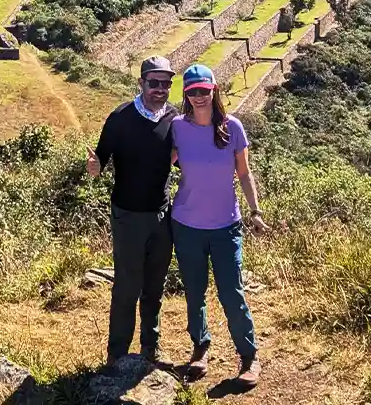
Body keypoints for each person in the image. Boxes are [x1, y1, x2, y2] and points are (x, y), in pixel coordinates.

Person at [170, 63, 268, 386]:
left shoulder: (233, 127)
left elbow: (244, 173)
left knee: (231, 292)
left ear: (214, 91)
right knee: (194, 292)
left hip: (226, 226)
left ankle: (249, 357)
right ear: (186, 95)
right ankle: (200, 349)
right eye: (192, 92)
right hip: (187, 225)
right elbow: (156, 164)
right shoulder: (178, 129)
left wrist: (255, 212)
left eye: (204, 90)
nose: (199, 97)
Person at [87, 56, 177, 366]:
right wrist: (93, 167)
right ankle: (118, 355)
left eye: (166, 84)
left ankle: (150, 349)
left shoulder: (174, 118)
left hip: (162, 215)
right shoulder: (120, 117)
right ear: (141, 83)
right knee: (127, 284)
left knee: (155, 284)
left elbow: (180, 157)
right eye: (154, 83)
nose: (160, 89)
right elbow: (99, 161)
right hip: (128, 215)